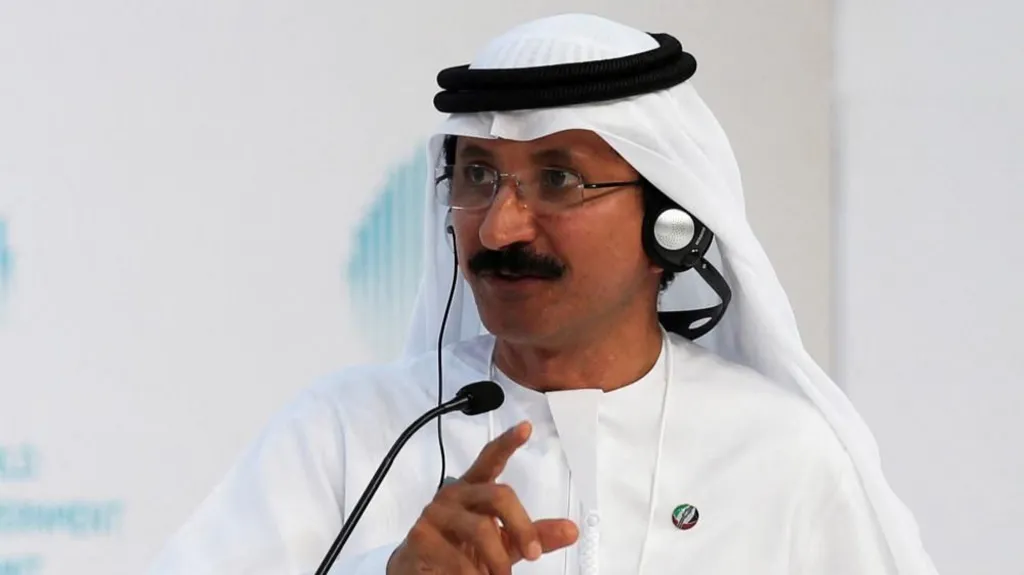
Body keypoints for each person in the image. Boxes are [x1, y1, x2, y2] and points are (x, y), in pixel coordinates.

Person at [148, 13, 937, 575]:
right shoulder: (347, 431)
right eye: (477, 176)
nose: (499, 228)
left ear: (668, 221)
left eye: (559, 179)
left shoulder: (780, 452)